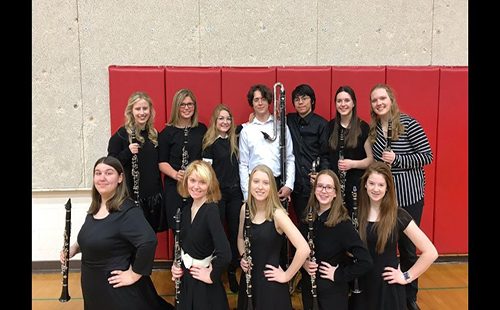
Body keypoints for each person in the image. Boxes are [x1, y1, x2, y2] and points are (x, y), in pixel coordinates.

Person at [60, 156, 173, 310]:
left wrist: (134, 274)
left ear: (120, 178)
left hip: (116, 290)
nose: (102, 178)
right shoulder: (96, 207)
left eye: (109, 173)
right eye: (98, 173)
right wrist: (74, 248)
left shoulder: (128, 210)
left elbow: (148, 241)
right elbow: (92, 236)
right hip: (93, 284)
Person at [368, 83, 433, 310]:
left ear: (391, 99)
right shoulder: (374, 130)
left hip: (408, 197)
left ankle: (409, 296)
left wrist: (398, 159)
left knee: (407, 249)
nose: (379, 103)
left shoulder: (409, 123)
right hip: (386, 199)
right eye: (375, 100)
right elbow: (375, 162)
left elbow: (427, 156)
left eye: (382, 98)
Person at [350, 162, 438, 310]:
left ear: (387, 188)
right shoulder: (355, 213)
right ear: (365, 184)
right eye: (371, 183)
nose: (375, 189)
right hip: (362, 284)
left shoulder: (398, 215)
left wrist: (405, 276)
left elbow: (431, 252)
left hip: (387, 287)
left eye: (381, 185)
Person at [236, 164, 310, 310]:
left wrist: (286, 276)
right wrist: (243, 255)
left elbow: (304, 248)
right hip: (249, 281)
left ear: (272, 187)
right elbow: (240, 238)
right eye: (256, 181)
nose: (260, 187)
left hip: (270, 285)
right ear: (249, 184)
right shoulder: (245, 209)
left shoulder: (278, 214)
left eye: (266, 183)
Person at [300, 169, 372, 310]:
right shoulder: (307, 218)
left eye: (329, 187)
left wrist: (339, 274)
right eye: (320, 186)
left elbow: (365, 261)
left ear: (335, 193)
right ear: (314, 190)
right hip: (309, 289)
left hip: (332, 293)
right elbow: (299, 249)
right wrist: (303, 263)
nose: (324, 191)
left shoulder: (343, 224)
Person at [170, 160, 232, 310]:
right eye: (192, 180)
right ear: (186, 181)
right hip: (186, 281)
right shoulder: (185, 210)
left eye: (202, 182)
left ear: (210, 185)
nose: (196, 186)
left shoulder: (210, 210)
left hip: (204, 288)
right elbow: (182, 246)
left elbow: (225, 254)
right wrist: (175, 265)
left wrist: (211, 275)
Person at [107, 91, 164, 232]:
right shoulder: (121, 135)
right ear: (131, 111)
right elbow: (110, 166)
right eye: (138, 109)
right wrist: (127, 152)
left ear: (150, 111)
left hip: (153, 196)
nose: (142, 112)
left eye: (145, 108)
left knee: (150, 236)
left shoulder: (154, 134)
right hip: (131, 195)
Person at [202, 103, 243, 293]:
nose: (225, 121)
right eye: (221, 118)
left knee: (236, 232)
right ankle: (218, 270)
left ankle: (234, 270)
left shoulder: (236, 139)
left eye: (228, 118)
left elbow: (247, 127)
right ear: (215, 121)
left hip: (235, 194)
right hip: (218, 195)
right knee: (218, 233)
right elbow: (207, 173)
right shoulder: (209, 144)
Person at [158, 88, 207, 229]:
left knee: (197, 228)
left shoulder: (202, 129)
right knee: (178, 229)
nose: (187, 108)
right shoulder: (167, 133)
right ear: (176, 107)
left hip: (197, 186)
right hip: (175, 187)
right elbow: (162, 162)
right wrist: (175, 174)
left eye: (190, 104)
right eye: (183, 104)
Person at [238, 84, 295, 203]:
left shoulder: (281, 127)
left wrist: (289, 185)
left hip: (277, 184)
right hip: (255, 185)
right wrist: (246, 193)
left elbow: (289, 158)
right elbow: (243, 164)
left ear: (269, 101)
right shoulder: (247, 130)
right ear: (252, 103)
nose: (260, 103)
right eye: (256, 100)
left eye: (263, 99)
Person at [327, 85, 373, 216]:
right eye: (339, 101)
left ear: (353, 103)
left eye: (347, 100)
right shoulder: (330, 126)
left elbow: (371, 160)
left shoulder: (363, 127)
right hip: (335, 186)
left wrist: (353, 164)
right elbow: (325, 155)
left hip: (356, 186)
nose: (343, 104)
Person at [287, 84, 330, 221]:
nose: (300, 102)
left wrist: (321, 177)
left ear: (312, 100)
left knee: (319, 222)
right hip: (296, 185)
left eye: (304, 98)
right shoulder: (289, 120)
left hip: (314, 183)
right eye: (297, 99)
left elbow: (325, 155)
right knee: (302, 222)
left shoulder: (322, 124)